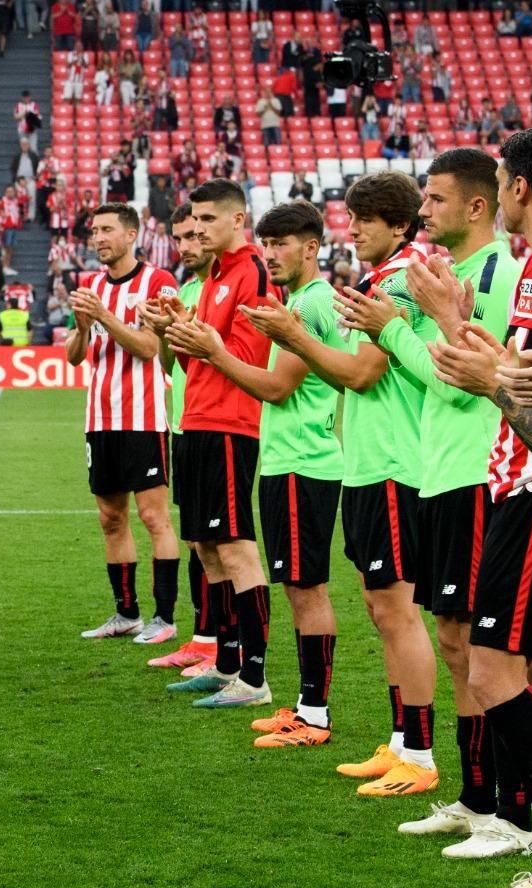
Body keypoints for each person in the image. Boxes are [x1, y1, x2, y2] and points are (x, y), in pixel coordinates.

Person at [338, 151, 527, 846]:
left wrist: (391, 327)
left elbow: (456, 379)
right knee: (457, 643)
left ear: (479, 206)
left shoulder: (499, 274)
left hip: (481, 472)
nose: (425, 212)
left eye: (437, 200)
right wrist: (395, 322)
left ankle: (510, 810)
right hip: (439, 472)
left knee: (488, 652)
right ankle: (479, 799)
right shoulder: (451, 274)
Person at [244, 171, 441, 795]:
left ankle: (421, 756)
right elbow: (350, 376)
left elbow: (360, 374)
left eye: (366, 220)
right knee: (382, 609)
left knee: (398, 611)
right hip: (365, 462)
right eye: (351, 218)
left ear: (400, 225)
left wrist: (294, 336)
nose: (352, 230)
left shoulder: (406, 281)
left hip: (394, 464)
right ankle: (403, 742)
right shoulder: (379, 282)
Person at [167, 200, 349, 747]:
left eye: (283, 244)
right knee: (291, 583)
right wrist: (190, 340)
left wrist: (214, 352)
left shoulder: (308, 304)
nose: (272, 255)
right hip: (282, 459)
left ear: (312, 247)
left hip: (302, 461)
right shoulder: (291, 300)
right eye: (269, 245)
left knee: (307, 588)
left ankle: (294, 701)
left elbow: (275, 387)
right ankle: (291, 698)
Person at [428, 127, 532, 888]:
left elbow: (514, 394)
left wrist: (485, 374)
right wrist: (472, 343)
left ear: (517, 189)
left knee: (491, 667)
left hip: (527, 487)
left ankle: (514, 818)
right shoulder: (529, 270)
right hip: (507, 483)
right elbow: (513, 378)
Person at [152, 179, 275, 710]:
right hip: (195, 421)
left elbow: (247, 357)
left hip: (229, 423)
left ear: (237, 221)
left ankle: (255, 675)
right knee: (205, 547)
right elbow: (190, 360)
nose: (197, 229)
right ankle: (225, 663)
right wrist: (177, 329)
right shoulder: (215, 277)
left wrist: (203, 341)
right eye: (193, 221)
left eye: (207, 220)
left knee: (236, 548)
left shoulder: (250, 271)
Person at [64, 204, 182, 644]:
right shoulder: (90, 286)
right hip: (100, 417)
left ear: (132, 234)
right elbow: (75, 356)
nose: (98, 238)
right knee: (110, 518)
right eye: (94, 230)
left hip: (143, 418)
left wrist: (105, 318)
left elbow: (149, 347)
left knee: (154, 517)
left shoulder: (157, 283)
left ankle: (165, 618)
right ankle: (126, 613)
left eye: (107, 230)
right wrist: (81, 326)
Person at [142, 204, 219, 674]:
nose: (188, 246)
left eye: (195, 234)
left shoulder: (225, 286)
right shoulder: (188, 288)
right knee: (196, 540)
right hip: (183, 423)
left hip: (218, 425)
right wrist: (165, 331)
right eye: (181, 238)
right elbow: (172, 364)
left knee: (217, 544)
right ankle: (203, 639)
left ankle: (221, 649)